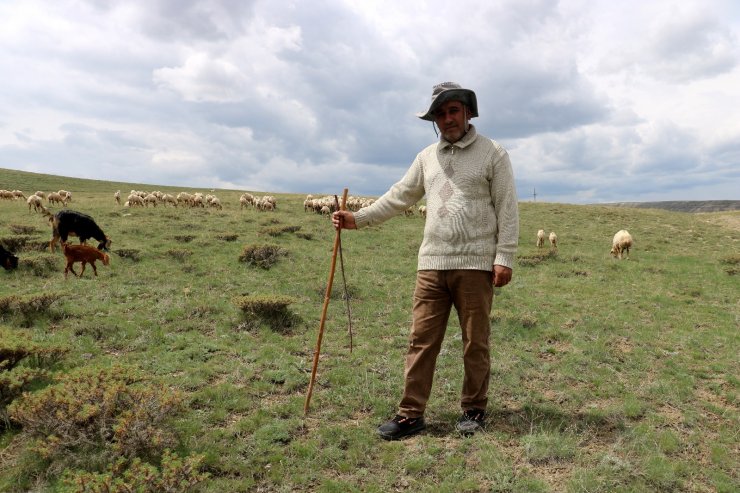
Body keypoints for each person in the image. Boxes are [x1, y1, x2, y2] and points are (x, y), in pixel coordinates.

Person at [332, 82, 519, 440]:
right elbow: (400, 195)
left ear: (467, 113)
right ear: (434, 120)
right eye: (440, 113)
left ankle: (474, 410)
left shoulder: (493, 153)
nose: (447, 119)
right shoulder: (426, 157)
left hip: (475, 263)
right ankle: (410, 414)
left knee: (474, 340)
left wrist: (504, 257)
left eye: (453, 111)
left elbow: (507, 207)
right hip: (432, 263)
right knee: (421, 340)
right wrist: (358, 218)